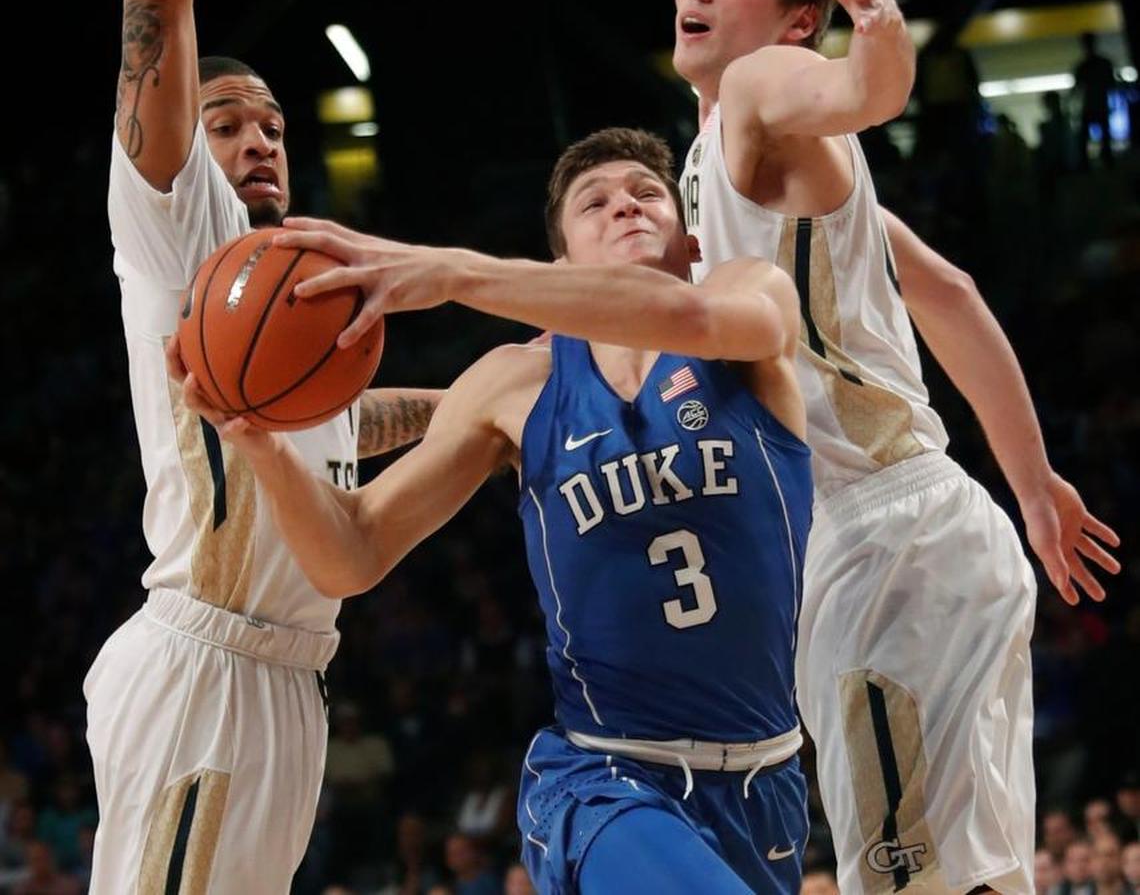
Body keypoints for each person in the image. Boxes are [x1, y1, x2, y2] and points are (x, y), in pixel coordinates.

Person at [175, 126, 815, 894]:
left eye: (648, 194)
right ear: (559, 267)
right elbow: (352, 549)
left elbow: (696, 319)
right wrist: (263, 446)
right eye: (595, 203)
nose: (626, 206)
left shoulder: (752, 296)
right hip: (606, 776)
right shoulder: (515, 383)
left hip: (767, 776)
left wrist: (453, 272)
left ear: (691, 243)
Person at [77, 0, 441, 894]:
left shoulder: (294, 304)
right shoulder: (183, 226)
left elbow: (344, 426)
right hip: (205, 663)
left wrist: (474, 407)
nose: (260, 138)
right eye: (232, 120)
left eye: (275, 122)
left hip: (289, 680)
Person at [671, 0, 1121, 895]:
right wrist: (1033, 486)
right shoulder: (733, 164)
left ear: (798, 19)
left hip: (884, 546)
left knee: (911, 883)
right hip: (928, 530)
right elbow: (949, 295)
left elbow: (862, 91)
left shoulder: (757, 85)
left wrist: (877, 27)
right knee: (973, 879)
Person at [1072, 32, 1118, 170]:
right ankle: (1104, 160)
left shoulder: (1085, 66)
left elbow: (1076, 90)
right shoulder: (1101, 64)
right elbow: (1112, 85)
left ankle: (1090, 162)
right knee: (1101, 136)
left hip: (1093, 105)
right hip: (1097, 104)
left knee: (1089, 136)